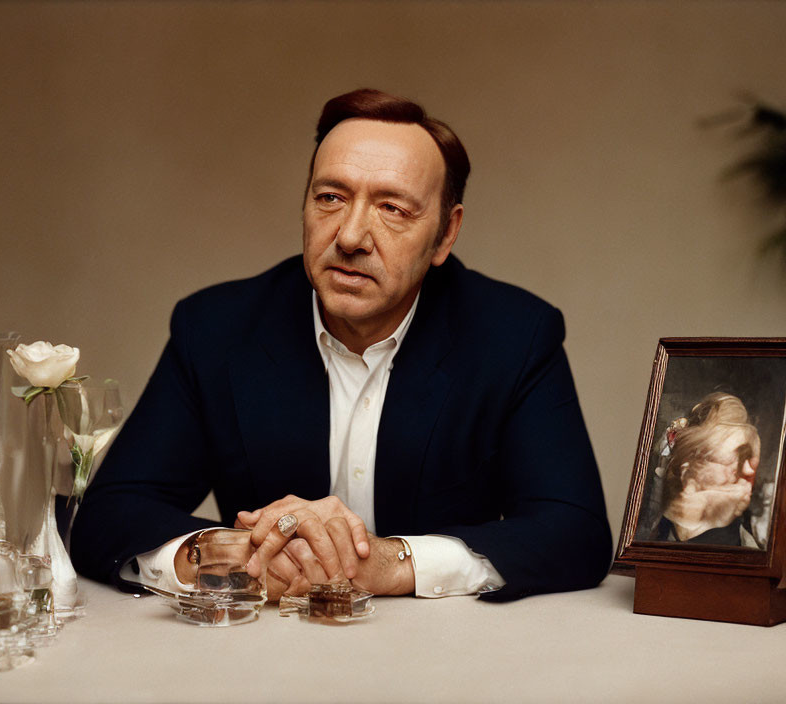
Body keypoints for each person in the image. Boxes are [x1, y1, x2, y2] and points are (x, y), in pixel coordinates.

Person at [70, 88, 612, 602]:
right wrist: (231, 553)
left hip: (441, 662)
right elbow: (108, 515)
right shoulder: (217, 329)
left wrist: (389, 563)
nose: (350, 236)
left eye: (392, 208)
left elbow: (575, 533)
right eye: (330, 197)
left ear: (446, 234)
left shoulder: (514, 335)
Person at [651, 392, 769, 547]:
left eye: (743, 456)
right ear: (688, 472)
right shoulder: (662, 531)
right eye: (730, 459)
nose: (746, 470)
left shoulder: (744, 543)